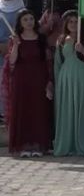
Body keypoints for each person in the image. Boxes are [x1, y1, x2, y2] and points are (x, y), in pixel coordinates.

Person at [4, 9, 53, 157]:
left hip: (39, 78)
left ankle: (39, 145)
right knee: (23, 110)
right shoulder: (15, 39)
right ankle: (24, 146)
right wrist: (17, 45)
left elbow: (47, 61)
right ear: (20, 22)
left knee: (39, 110)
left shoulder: (41, 39)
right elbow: (12, 61)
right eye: (25, 19)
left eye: (31, 19)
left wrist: (49, 82)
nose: (29, 22)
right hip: (21, 79)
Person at [52, 10, 84, 157]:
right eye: (70, 21)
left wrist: (83, 50)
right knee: (67, 111)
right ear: (66, 24)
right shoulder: (60, 40)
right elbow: (57, 64)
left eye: (76, 21)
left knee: (83, 110)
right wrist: (56, 84)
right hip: (66, 80)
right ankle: (67, 145)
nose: (73, 24)